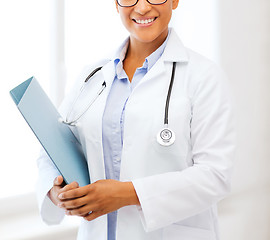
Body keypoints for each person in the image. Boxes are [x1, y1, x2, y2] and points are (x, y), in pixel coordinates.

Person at [36, 0, 235, 239]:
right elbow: (53, 149)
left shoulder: (204, 77)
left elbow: (215, 175)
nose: (142, 8)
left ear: (174, 1)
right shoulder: (93, 75)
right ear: (116, 4)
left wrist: (126, 194)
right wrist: (55, 191)